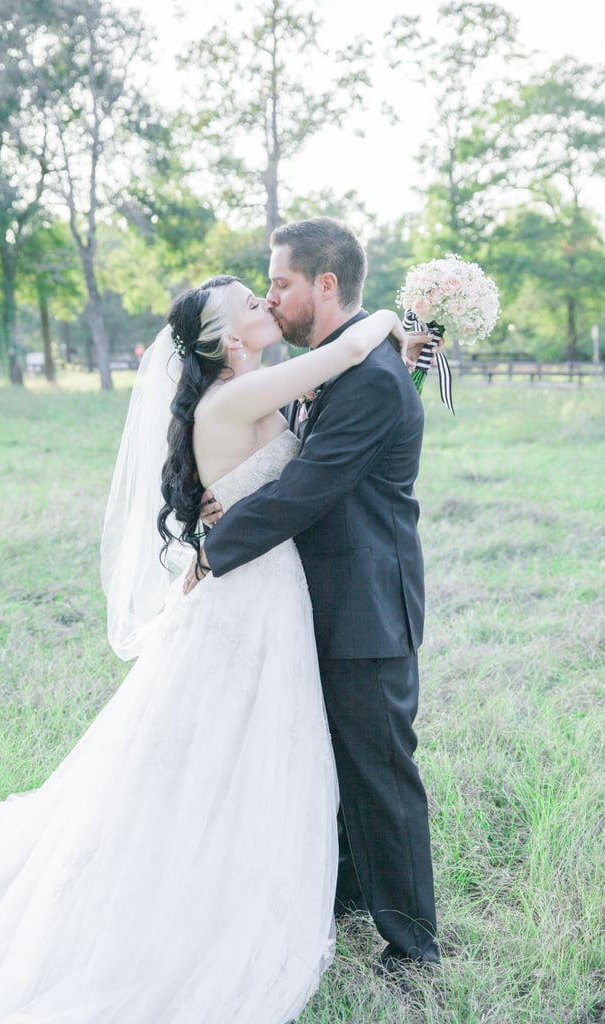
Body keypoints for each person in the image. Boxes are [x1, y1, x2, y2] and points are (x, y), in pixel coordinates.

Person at [0, 272, 416, 1022]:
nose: (264, 305)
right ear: (221, 342)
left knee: (244, 745)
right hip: (248, 593)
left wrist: (405, 354)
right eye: (248, 305)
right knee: (222, 748)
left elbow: (322, 424)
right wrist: (396, 307)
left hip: (264, 586)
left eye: (262, 294)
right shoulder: (237, 395)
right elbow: (348, 349)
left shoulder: (252, 389)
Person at [189, 218, 440, 976]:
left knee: (378, 773)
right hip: (321, 599)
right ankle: (347, 892)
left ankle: (413, 944)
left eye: (281, 284)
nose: (272, 297)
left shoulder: (366, 376)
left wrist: (215, 549)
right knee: (334, 763)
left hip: (364, 605)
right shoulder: (345, 362)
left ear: (324, 284)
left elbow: (306, 489)